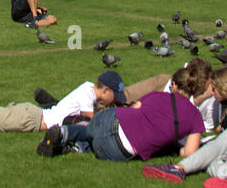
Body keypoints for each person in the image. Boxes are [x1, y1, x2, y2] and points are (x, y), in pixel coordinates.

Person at [142, 65, 227, 188]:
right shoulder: (223, 107)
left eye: (214, 88)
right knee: (215, 159)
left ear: (223, 87)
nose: (212, 92)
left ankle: (179, 168)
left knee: (218, 146)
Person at [36, 65, 205, 162]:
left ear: (174, 85)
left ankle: (65, 132)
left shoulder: (156, 96)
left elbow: (134, 110)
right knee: (97, 140)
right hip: (116, 152)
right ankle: (77, 147)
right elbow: (189, 152)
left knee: (91, 129)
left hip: (113, 122)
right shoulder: (195, 117)